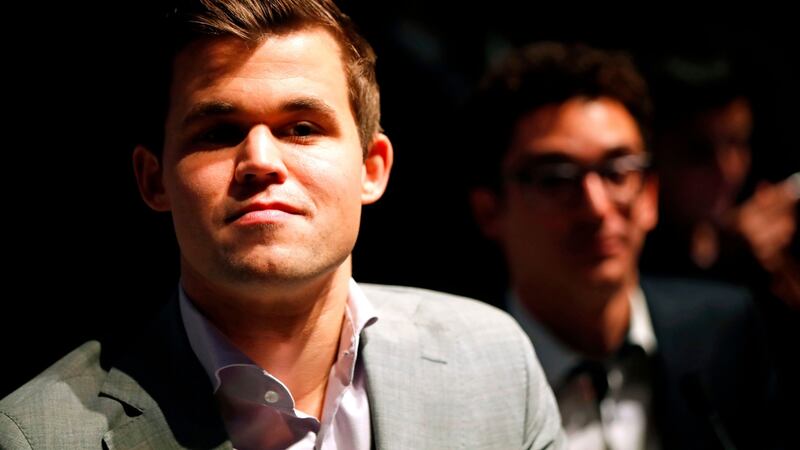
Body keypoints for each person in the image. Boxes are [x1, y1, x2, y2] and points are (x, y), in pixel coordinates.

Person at [0, 1, 563, 448]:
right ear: (154, 181)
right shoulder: (36, 435)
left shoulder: (495, 360)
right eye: (218, 132)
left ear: (372, 168)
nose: (261, 160)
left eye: (301, 127)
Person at [467, 42, 775, 449]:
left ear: (649, 195)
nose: (596, 208)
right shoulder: (462, 375)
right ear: (490, 210)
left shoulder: (723, 332)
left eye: (617, 171)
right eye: (556, 178)